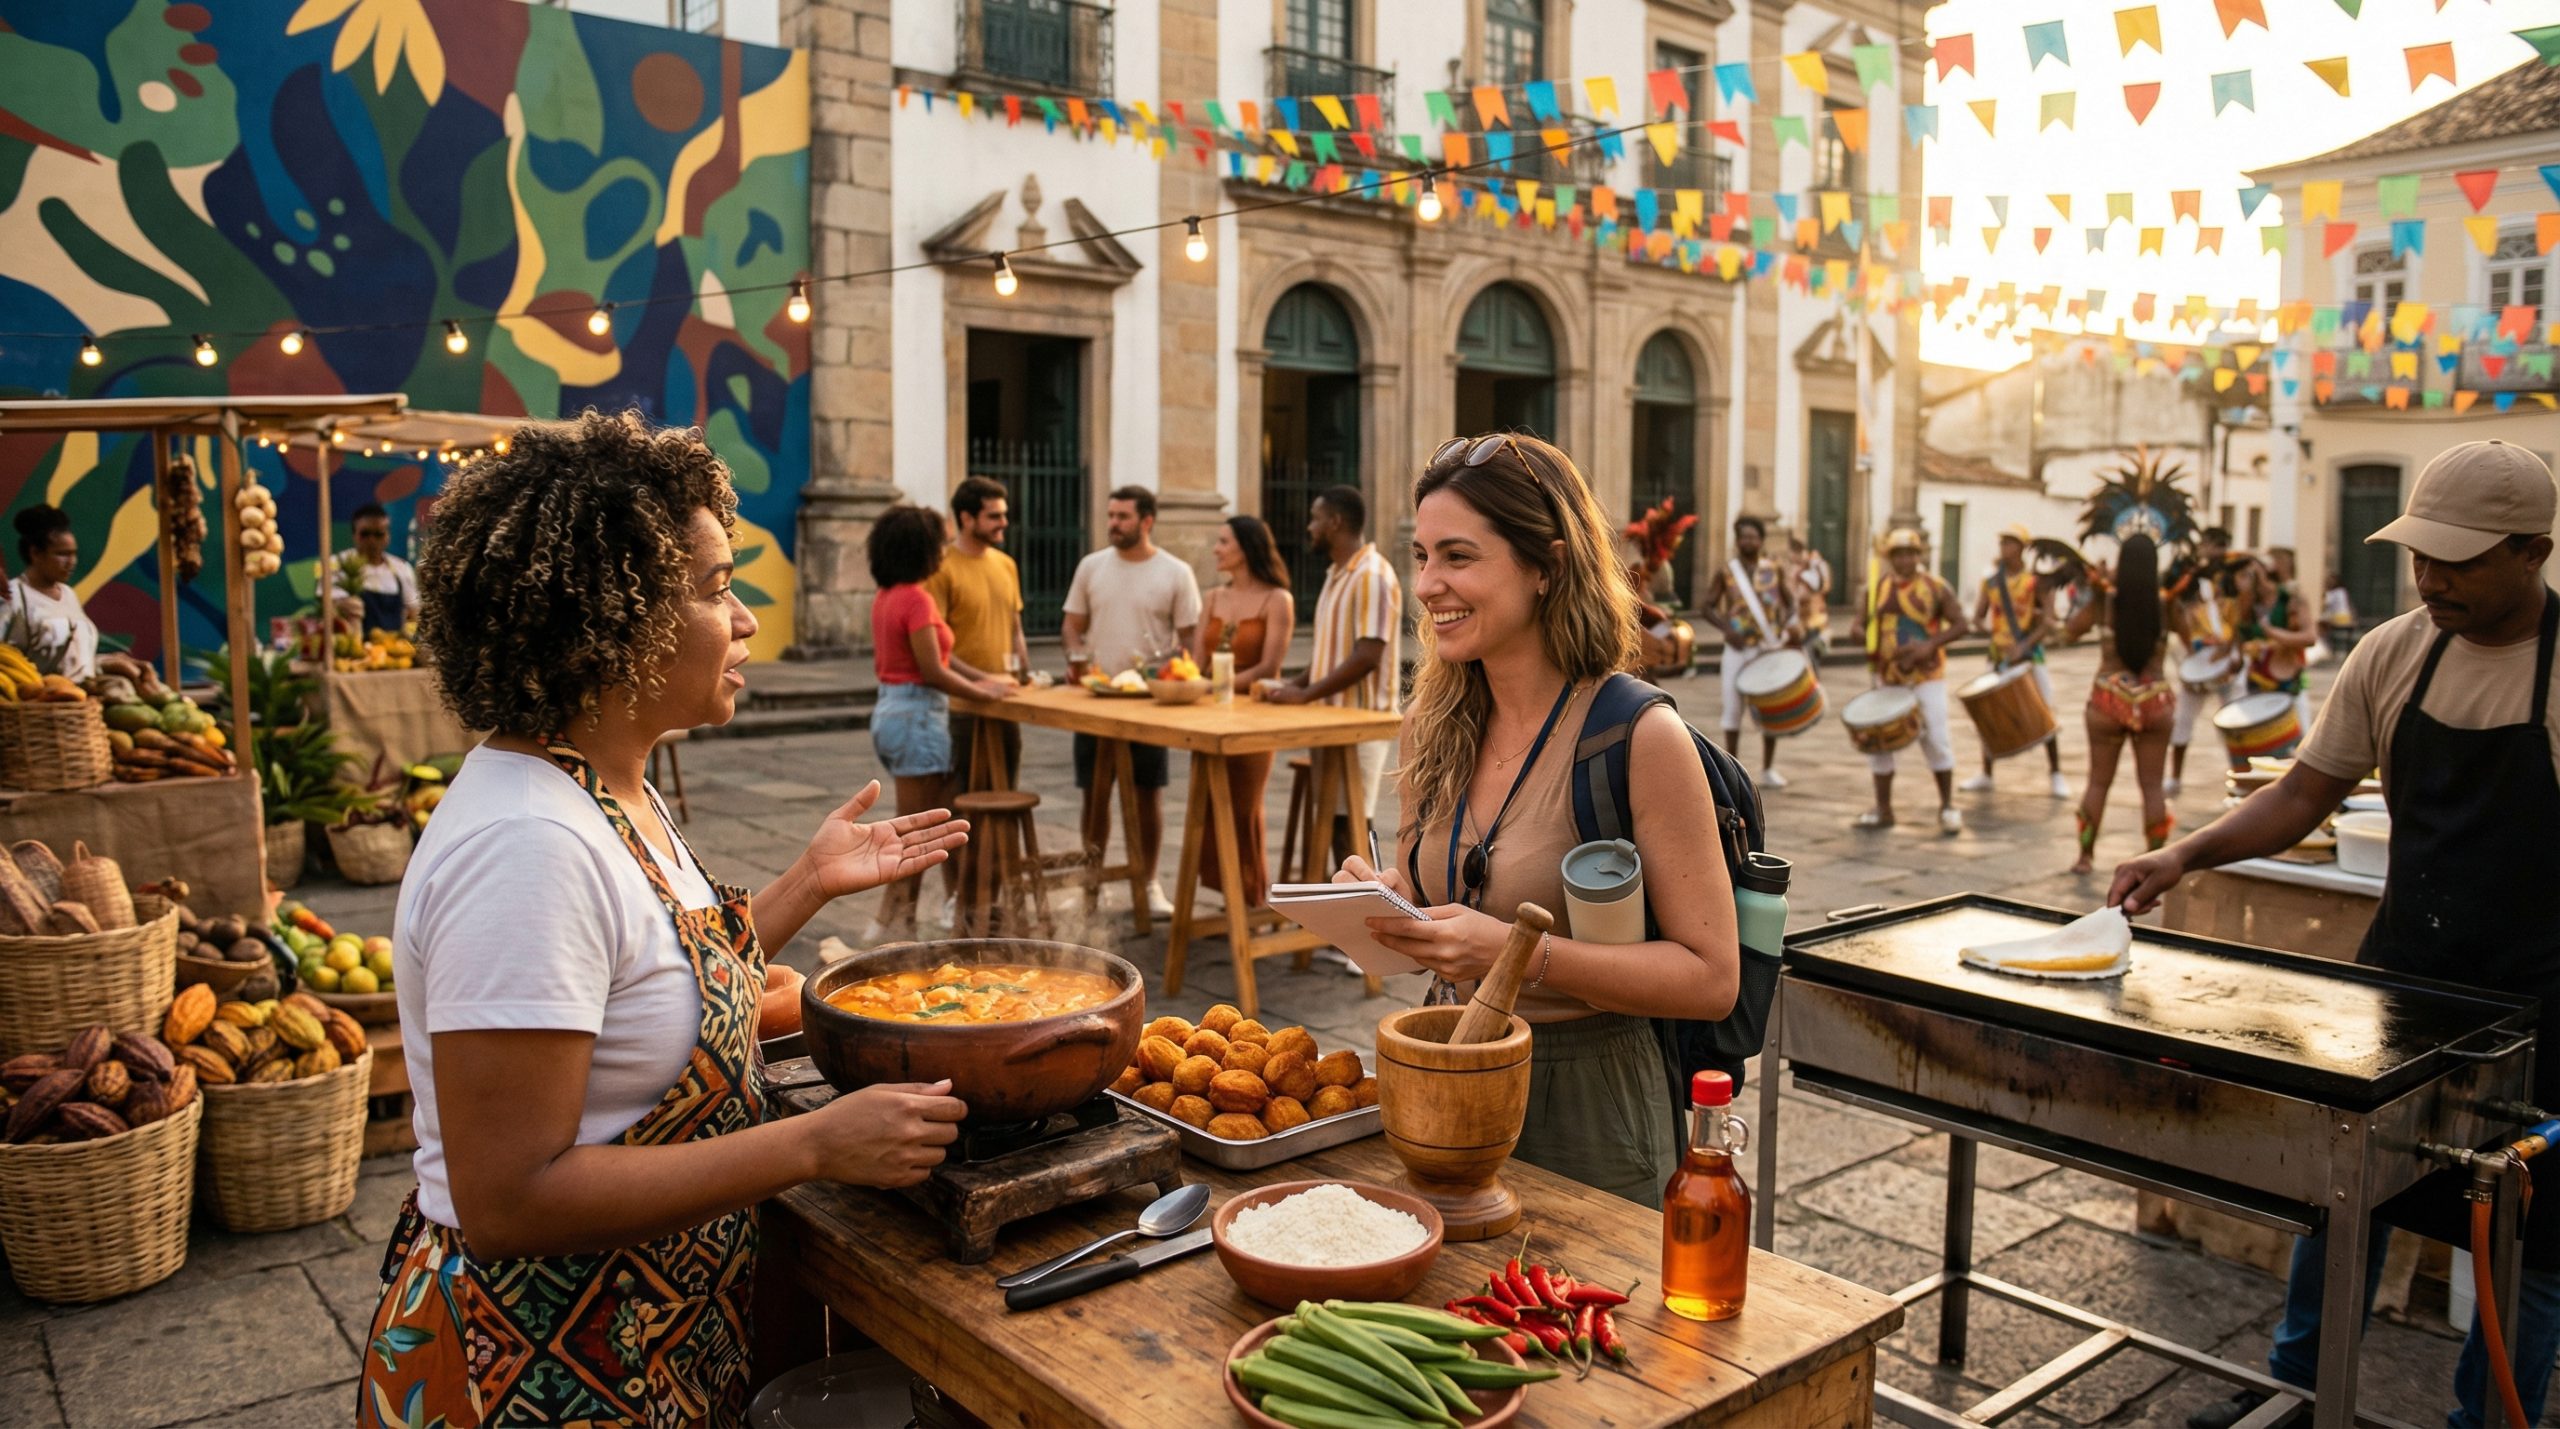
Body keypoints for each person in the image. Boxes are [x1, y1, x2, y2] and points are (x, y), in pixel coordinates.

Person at [362, 410, 970, 1425]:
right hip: (536, 1370)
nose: (742, 620)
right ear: (610, 616)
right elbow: (508, 1198)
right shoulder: (526, 847)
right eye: (715, 587)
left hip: (655, 1330)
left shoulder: (610, 788)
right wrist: (814, 1144)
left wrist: (803, 886)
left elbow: (649, 989)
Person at [2111, 442, 2560, 1429]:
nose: (2430, 578)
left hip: (2541, 1005)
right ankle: (2296, 1394)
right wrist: (2183, 856)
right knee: (2344, 1200)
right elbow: (2305, 791)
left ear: (2531, 552)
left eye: (2459, 560)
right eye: (2419, 557)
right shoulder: (2394, 650)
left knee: (2531, 1247)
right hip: (2403, 980)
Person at [1335, 432, 1739, 1207]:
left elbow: (1712, 976)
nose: (1426, 585)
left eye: (1457, 556)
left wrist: (1519, 953)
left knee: (1579, 1326)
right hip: (1444, 1068)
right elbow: (1448, 916)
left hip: (1591, 1099)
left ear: (1547, 566)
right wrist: (1387, 910)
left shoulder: (1638, 736)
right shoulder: (1431, 722)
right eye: (1421, 556)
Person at [869, 503, 1017, 938]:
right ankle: (891, 925)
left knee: (932, 820)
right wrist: (982, 691)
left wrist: (987, 679)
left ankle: (946, 909)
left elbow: (943, 660)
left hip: (894, 711)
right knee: (916, 834)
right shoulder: (916, 598)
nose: (945, 549)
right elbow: (933, 670)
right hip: (919, 715)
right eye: (940, 541)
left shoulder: (888, 595)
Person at [1061, 486, 1201, 917]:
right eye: (1111, 515)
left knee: (1147, 794)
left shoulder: (1175, 572)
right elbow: (1072, 625)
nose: (1113, 523)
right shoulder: (1091, 566)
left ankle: (1149, 881)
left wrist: (1173, 671)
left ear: (1146, 521)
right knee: (1094, 794)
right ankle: (1092, 881)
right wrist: (1076, 655)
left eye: (1122, 516)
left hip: (1147, 702)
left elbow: (1190, 638)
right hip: (1098, 698)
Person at [1265, 484, 1403, 853]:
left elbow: (1366, 656)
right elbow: (1331, 652)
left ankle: (1369, 909)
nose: (1309, 527)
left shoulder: (1371, 575)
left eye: (1315, 519)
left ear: (1336, 522)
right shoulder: (1337, 574)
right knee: (1332, 825)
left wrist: (1306, 694)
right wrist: (1290, 686)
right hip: (1331, 722)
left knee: (1351, 828)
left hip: (1359, 725)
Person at [1192, 516, 1295, 908]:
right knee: (1208, 806)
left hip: (1254, 717)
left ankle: (1248, 898)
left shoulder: (1276, 600)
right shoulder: (1213, 598)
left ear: (1246, 548)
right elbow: (1197, 660)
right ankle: (1224, 898)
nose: (1216, 549)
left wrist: (1214, 684)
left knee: (1243, 806)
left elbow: (1269, 669)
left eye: (1223, 542)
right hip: (1208, 714)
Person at [2063, 542, 2175, 874]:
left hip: (2108, 700)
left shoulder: (2105, 600)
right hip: (2155, 700)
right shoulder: (2167, 603)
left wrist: (2094, 588)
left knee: (2098, 782)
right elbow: (2198, 633)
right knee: (2152, 786)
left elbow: (2070, 630)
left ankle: (2085, 858)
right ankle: (2156, 858)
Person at [924, 476, 1028, 792]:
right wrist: (981, 679)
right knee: (961, 798)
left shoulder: (1006, 564)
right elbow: (937, 648)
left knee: (1005, 790)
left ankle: (999, 847)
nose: (1004, 523)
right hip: (961, 705)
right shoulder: (940, 568)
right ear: (967, 518)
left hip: (1005, 699)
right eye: (994, 516)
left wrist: (1023, 668)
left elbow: (1014, 625)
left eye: (1004, 514)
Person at [1861, 529, 1967, 833]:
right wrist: (1861, 632)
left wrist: (1929, 645)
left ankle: (1948, 806)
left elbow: (1961, 624)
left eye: (1910, 553)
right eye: (1898, 554)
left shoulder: (1936, 587)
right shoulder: (1878, 587)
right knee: (1879, 741)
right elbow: (1863, 623)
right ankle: (1884, 809)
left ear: (1919, 555)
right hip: (1888, 675)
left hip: (1927, 676)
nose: (1904, 559)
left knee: (1935, 736)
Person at [1962, 523, 2070, 798]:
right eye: (2002, 543)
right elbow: (1977, 617)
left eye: (2010, 543)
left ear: (2021, 548)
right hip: (1999, 655)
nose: (2004, 548)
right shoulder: (1991, 581)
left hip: (2030, 655)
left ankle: (2056, 773)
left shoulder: (2037, 582)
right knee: (1988, 711)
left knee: (2044, 707)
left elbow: (2049, 619)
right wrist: (1994, 635)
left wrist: (2024, 644)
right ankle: (1986, 773)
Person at [1699, 516, 1800, 788]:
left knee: (1770, 708)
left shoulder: (1774, 569)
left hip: (1767, 648)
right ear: (1737, 540)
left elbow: (1791, 603)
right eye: (1744, 536)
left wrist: (1784, 626)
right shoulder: (1726, 572)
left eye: (1754, 537)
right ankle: (1732, 773)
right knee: (1732, 709)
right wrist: (1726, 630)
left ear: (1761, 540)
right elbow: (1706, 606)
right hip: (1737, 650)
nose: (1749, 541)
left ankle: (1768, 768)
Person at [2164, 526, 2242, 795]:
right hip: (2196, 656)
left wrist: (2233, 652)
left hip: (2227, 658)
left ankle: (2241, 776)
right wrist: (2191, 655)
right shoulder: (2187, 580)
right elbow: (2175, 613)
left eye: (2220, 546)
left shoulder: (2232, 579)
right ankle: (2174, 778)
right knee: (2183, 720)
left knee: (2235, 723)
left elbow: (2241, 617)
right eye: (2210, 545)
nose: (2215, 551)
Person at [4, 505, 97, 681]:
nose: (72, 562)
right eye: (62, 554)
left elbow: (72, 658)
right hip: (37, 702)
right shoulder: (12, 596)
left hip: (82, 702)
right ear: (35, 553)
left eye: (74, 554)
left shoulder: (69, 594)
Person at [2237, 554, 2319, 732]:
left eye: (2250, 574)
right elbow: (2238, 637)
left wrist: (2272, 634)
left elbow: (2310, 638)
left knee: (2299, 740)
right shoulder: (2248, 603)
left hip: (2289, 679)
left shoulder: (2290, 598)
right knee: (2260, 738)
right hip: (2258, 679)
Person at [345, 502, 420, 635]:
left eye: (378, 534)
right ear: (354, 535)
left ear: (387, 537)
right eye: (365, 534)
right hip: (355, 651)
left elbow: (414, 612)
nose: (372, 540)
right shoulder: (340, 567)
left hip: (393, 651)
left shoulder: (402, 569)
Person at [1787, 533, 1834, 659]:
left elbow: (1820, 587)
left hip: (1814, 618)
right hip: (1802, 620)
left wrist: (1800, 578)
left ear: (1797, 552)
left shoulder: (1814, 565)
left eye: (1790, 553)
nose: (1790, 558)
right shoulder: (1799, 568)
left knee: (1811, 656)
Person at [2322, 568, 2357, 657]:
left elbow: (2327, 605)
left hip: (2339, 617)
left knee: (2322, 625)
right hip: (2346, 617)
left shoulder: (2332, 593)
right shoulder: (2343, 591)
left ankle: (2327, 647)